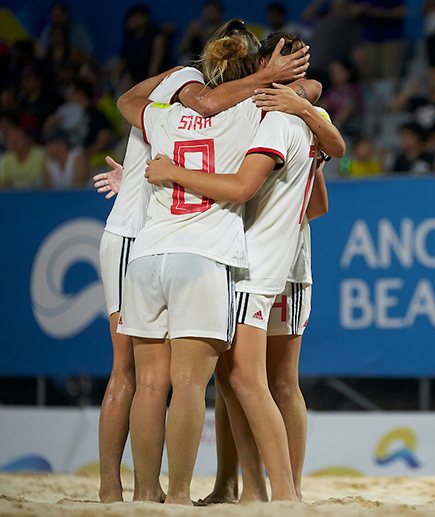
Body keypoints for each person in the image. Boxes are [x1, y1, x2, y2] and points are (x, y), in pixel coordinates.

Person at [92, 23, 313, 503]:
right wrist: (277, 82)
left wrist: (142, 172)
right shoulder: (253, 113)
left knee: (146, 381)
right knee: (191, 384)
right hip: (203, 256)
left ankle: (140, 493)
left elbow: (128, 104)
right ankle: (179, 497)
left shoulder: (166, 115)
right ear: (251, 71)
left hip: (148, 253)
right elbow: (305, 94)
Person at [142, 33, 343, 503]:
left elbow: (251, 189)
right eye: (287, 56)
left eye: (302, 59)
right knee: (242, 382)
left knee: (260, 381)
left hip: (268, 264)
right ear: (262, 62)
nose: (298, 67)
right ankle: (246, 486)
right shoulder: (261, 112)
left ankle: (282, 491)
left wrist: (169, 172)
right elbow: (319, 196)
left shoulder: (280, 115)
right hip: (254, 259)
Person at [389, 66, 435, 138]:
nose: (431, 81)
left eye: (434, 77)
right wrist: (410, 89)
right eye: (429, 78)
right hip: (415, 141)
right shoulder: (418, 101)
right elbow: (393, 107)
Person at [352, 0, 406, 80]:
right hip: (368, 37)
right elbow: (347, 10)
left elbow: (403, 10)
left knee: (390, 73)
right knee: (368, 74)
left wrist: (383, 13)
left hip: (390, 37)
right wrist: (361, 8)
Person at [118, 4, 171, 84]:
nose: (133, 20)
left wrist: (149, 82)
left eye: (137, 17)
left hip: (156, 79)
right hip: (133, 81)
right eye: (131, 17)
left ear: (145, 17)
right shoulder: (129, 42)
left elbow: (155, 66)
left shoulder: (156, 37)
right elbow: (123, 62)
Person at [320, 58, 364, 136]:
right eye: (332, 72)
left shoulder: (355, 90)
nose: (335, 74)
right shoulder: (331, 92)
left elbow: (348, 109)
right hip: (335, 129)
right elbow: (322, 106)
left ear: (348, 72)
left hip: (354, 130)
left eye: (339, 71)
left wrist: (332, 128)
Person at [178, 0, 225, 65]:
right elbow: (182, 51)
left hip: (215, 61)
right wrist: (189, 35)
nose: (210, 13)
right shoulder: (195, 27)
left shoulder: (224, 29)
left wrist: (204, 35)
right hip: (194, 60)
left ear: (219, 13)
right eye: (208, 11)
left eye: (212, 11)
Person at [0, 122, 44, 189]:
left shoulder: (42, 155)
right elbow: (3, 184)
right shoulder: (6, 159)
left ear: (27, 139)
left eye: (17, 137)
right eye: (11, 139)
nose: (14, 141)